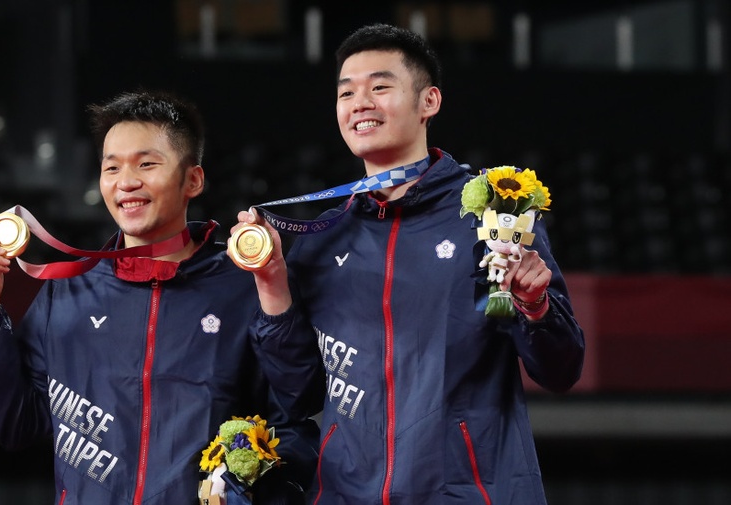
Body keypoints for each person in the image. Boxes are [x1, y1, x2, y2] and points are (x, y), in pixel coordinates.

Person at [233, 24, 585, 504]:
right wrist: (272, 283)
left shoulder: (492, 218)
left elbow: (561, 371)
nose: (360, 102)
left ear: (429, 102)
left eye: (380, 87)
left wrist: (536, 306)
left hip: (467, 492)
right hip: (345, 494)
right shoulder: (322, 238)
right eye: (347, 92)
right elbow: (299, 397)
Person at [0, 90, 324, 505]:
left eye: (147, 164)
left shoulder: (245, 285)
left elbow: (297, 407)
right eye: (112, 167)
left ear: (193, 180)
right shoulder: (69, 290)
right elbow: (17, 423)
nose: (126, 182)